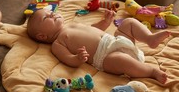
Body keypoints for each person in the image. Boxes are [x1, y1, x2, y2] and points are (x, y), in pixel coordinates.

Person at [27, 8, 170, 84]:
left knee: (128, 23)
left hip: (115, 40)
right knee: (120, 59)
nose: (52, 14)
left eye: (51, 12)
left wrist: (105, 23)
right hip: (105, 57)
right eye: (47, 17)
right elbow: (68, 59)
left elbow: (93, 28)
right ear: (42, 36)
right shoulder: (57, 43)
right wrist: (77, 58)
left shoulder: (71, 23)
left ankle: (149, 38)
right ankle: (151, 72)